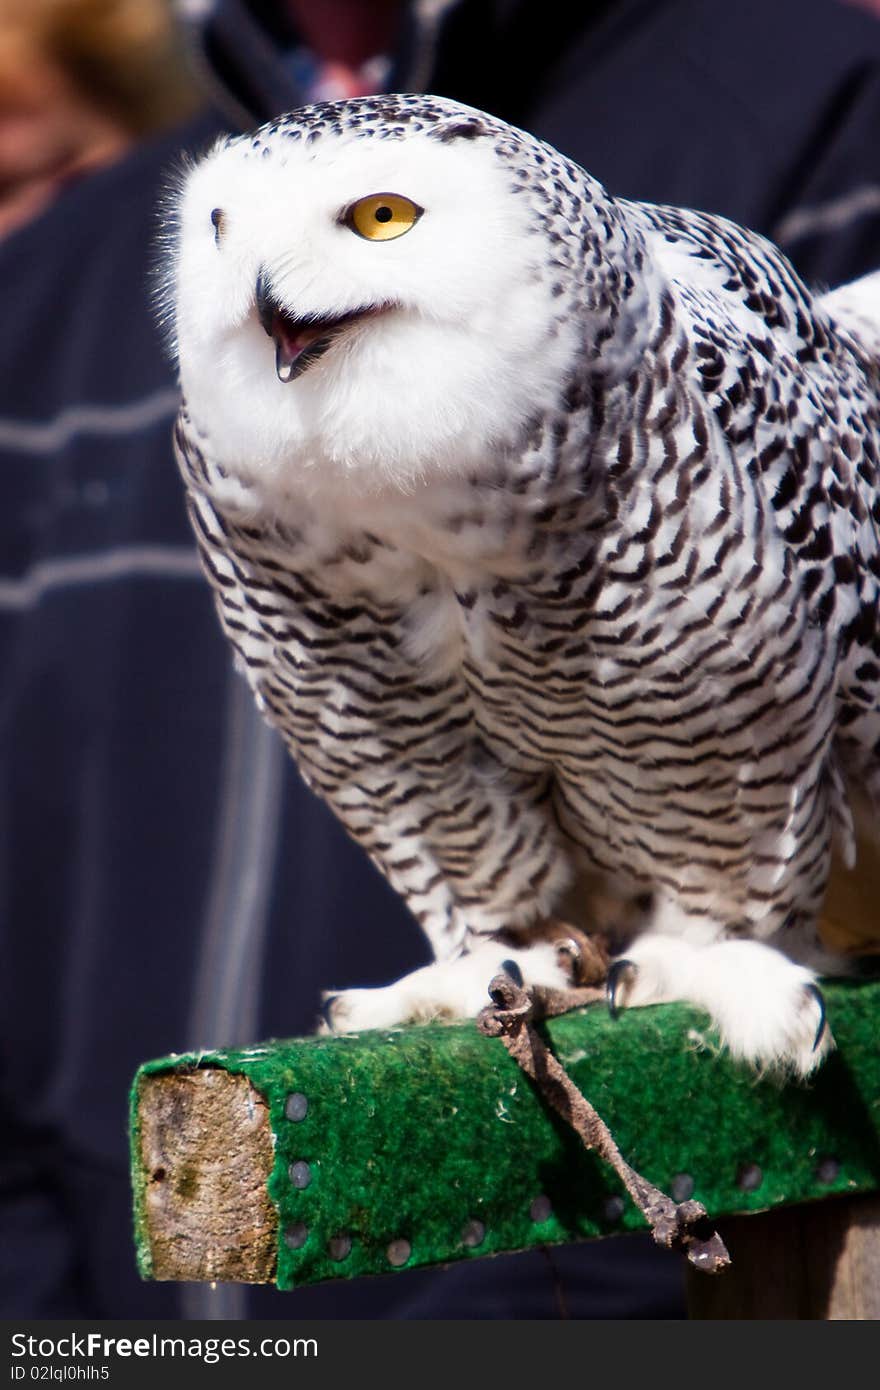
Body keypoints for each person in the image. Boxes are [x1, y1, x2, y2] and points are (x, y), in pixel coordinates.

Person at [3, 0, 880, 1319]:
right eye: (227, 239)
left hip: (672, 1265)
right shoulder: (61, 284)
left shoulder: (815, 115)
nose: (270, 292)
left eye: (377, 221)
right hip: (139, 1290)